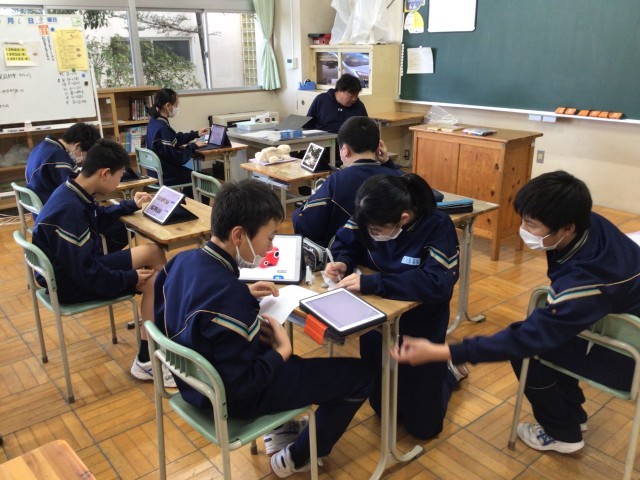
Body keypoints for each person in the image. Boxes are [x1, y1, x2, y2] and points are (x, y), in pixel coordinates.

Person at [390, 170, 640, 453]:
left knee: (526, 352)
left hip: (625, 355)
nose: (523, 229)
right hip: (609, 323)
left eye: (532, 225)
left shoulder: (583, 284)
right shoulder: (588, 223)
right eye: (524, 219)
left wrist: (444, 352)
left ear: (567, 228)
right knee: (547, 335)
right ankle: (573, 416)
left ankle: (563, 433)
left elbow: (523, 340)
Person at [154, 179, 373, 477]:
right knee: (361, 375)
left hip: (193, 384)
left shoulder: (181, 262)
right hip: (231, 396)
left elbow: (183, 311)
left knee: (286, 355)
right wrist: (282, 352)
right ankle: (297, 457)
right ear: (238, 235)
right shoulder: (229, 297)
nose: (271, 247)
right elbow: (242, 384)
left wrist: (243, 293)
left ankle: (282, 429)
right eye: (269, 238)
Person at [324, 173, 460, 439]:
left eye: (376, 231)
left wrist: (373, 283)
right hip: (377, 318)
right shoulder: (368, 214)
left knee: (423, 428)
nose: (371, 234)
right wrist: (342, 261)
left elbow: (437, 283)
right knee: (383, 409)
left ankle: (447, 373)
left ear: (403, 219)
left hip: (422, 324)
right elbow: (347, 243)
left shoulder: (437, 225)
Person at [31, 139, 173, 387]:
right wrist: (130, 278)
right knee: (152, 281)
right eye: (119, 177)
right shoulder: (69, 211)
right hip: (69, 283)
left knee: (153, 253)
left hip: (75, 268)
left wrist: (130, 205)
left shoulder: (72, 190)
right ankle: (146, 360)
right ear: (105, 173)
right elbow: (87, 274)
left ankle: (159, 325)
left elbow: (97, 217)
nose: (119, 183)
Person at [293, 116, 401, 247]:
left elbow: (306, 224)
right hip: (390, 252)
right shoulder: (398, 178)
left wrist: (298, 212)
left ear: (345, 150)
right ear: (379, 147)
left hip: (344, 252)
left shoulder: (336, 181)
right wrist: (388, 163)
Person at [145, 88, 209, 197]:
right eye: (176, 104)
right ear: (168, 106)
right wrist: (193, 146)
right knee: (202, 179)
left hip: (155, 172)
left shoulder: (154, 122)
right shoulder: (162, 128)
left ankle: (185, 202)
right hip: (166, 174)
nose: (177, 108)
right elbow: (179, 159)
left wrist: (195, 134)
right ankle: (189, 205)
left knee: (192, 175)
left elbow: (174, 139)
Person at [25, 122, 100, 206]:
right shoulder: (58, 156)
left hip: (42, 200)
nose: (83, 160)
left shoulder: (42, 146)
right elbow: (78, 188)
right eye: (86, 154)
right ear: (78, 146)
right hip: (52, 206)